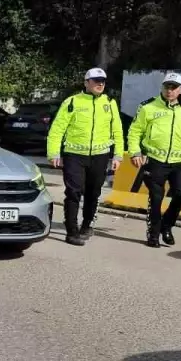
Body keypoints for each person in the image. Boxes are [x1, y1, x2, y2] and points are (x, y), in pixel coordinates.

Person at [127, 72, 181, 248]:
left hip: (180, 161)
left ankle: (167, 225)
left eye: (174, 87)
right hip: (155, 160)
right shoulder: (148, 107)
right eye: (167, 87)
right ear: (162, 87)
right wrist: (135, 152)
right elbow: (135, 131)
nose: (170, 90)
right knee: (156, 197)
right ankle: (153, 233)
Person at [46, 67, 125, 246]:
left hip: (100, 156)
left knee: (93, 193)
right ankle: (72, 231)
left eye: (102, 81)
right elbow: (57, 129)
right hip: (74, 155)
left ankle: (86, 225)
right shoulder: (72, 102)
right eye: (96, 81)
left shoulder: (110, 103)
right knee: (73, 192)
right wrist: (53, 153)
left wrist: (118, 155)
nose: (100, 84)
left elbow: (117, 131)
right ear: (86, 83)